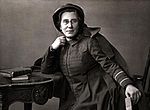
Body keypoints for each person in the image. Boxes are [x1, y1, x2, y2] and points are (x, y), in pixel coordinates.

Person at [41, 3, 142, 110]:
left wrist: (127, 85)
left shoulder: (89, 42)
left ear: (79, 24)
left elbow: (109, 65)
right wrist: (52, 48)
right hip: (71, 96)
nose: (69, 26)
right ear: (60, 26)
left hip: (93, 94)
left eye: (73, 21)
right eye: (65, 22)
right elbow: (46, 69)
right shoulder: (59, 46)